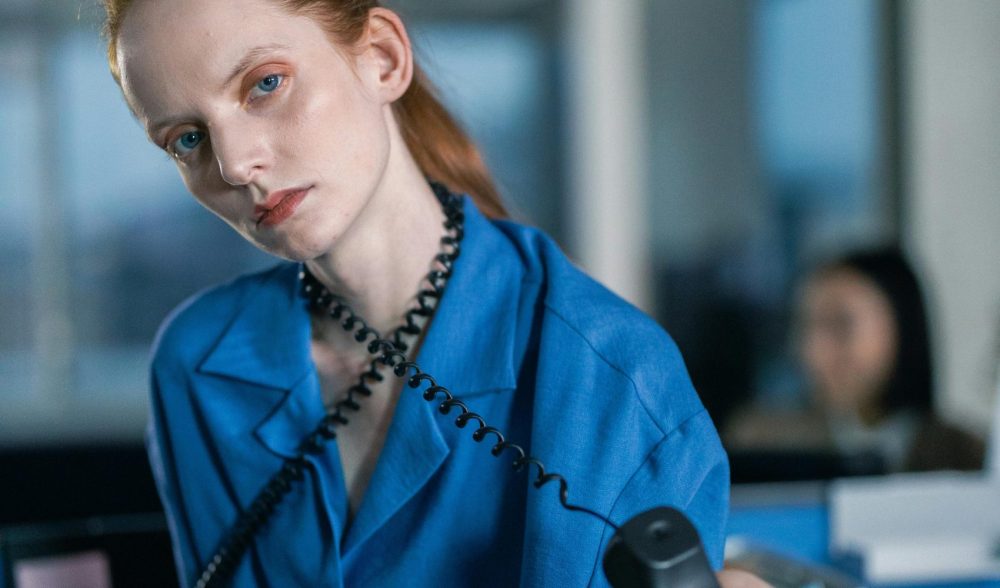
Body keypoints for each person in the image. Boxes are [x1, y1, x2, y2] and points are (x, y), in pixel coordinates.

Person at [101, 0, 730, 585]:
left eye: (265, 84)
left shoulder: (615, 378)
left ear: (382, 58)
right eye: (188, 139)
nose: (235, 164)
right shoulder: (197, 366)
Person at [727, 247, 985, 474]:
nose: (811, 352)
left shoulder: (968, 458)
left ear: (904, 328)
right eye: (805, 326)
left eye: (840, 324)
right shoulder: (761, 444)